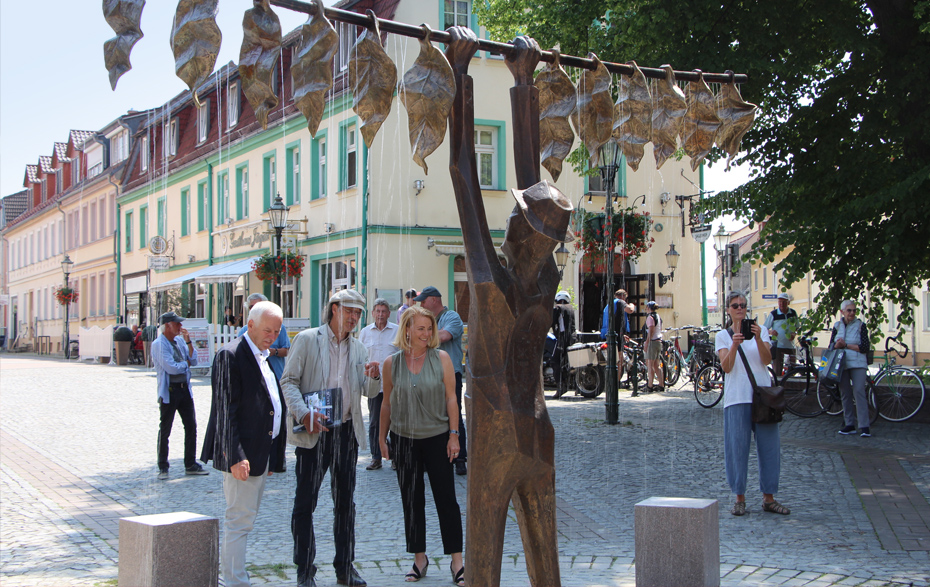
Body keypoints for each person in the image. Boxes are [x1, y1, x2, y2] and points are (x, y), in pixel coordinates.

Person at [280, 289, 381, 587]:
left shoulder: (360, 349)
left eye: (358, 314)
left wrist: (374, 377)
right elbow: (288, 381)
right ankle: (305, 570)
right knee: (304, 504)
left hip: (346, 433)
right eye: (349, 311)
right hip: (314, 432)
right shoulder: (309, 340)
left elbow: (369, 392)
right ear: (334, 309)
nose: (353, 318)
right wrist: (302, 413)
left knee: (345, 505)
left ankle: (345, 568)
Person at [202, 301, 288, 587]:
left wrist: (273, 457)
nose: (272, 336)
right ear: (249, 325)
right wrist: (235, 456)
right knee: (238, 521)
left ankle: (237, 577)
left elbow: (271, 407)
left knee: (245, 520)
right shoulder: (231, 355)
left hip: (259, 454)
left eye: (276, 331)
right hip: (243, 455)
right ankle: (235, 581)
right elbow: (225, 410)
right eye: (267, 329)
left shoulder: (262, 356)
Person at [378, 306, 464, 585]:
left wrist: (454, 435)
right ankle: (419, 559)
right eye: (421, 329)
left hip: (438, 437)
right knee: (412, 502)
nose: (427, 334)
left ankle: (457, 561)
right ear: (407, 330)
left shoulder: (441, 359)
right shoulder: (392, 363)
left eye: (430, 328)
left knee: (446, 501)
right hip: (404, 440)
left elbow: (452, 399)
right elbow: (386, 403)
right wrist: (381, 437)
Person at [715, 291, 789, 517]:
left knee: (769, 448)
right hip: (737, 398)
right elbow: (726, 368)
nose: (740, 309)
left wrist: (757, 338)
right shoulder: (723, 336)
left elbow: (767, 360)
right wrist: (736, 345)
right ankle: (739, 498)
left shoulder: (763, 331)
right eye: (735, 305)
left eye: (743, 305)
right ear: (728, 309)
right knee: (737, 450)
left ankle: (769, 498)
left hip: (763, 398)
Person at [414, 286, 467, 476]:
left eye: (424, 300)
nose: (421, 304)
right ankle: (435, 457)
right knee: (431, 414)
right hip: (429, 374)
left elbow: (445, 336)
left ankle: (460, 458)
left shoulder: (452, 317)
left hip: (450, 373)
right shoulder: (428, 320)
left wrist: (420, 337)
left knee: (454, 414)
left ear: (434, 300)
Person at [151, 311, 208, 479]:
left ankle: (190, 463)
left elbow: (195, 360)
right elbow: (171, 367)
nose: (180, 327)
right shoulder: (159, 344)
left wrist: (189, 342)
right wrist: (186, 363)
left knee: (191, 426)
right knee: (166, 429)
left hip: (184, 390)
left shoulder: (180, 341)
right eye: (177, 324)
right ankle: (163, 466)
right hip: (170, 391)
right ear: (167, 325)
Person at [358, 297, 399, 470]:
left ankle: (396, 457)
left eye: (384, 311)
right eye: (378, 311)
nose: (381, 315)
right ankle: (376, 457)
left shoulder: (397, 331)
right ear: (373, 313)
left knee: (396, 421)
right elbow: (360, 358)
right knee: (375, 422)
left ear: (389, 313)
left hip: (394, 386)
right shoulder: (365, 332)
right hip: (374, 385)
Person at [831, 299, 872, 437]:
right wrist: (836, 346)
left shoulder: (861, 326)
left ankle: (864, 426)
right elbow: (831, 347)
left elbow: (865, 347)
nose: (852, 313)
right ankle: (849, 424)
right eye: (849, 310)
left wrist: (846, 345)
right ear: (842, 312)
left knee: (859, 391)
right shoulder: (837, 326)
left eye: (854, 310)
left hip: (858, 363)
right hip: (842, 363)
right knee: (845, 393)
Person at [238, 293, 290, 380]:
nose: (254, 309)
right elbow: (239, 355)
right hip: (253, 379)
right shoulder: (244, 331)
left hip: (276, 377)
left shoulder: (279, 328)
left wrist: (274, 352)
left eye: (258, 306)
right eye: (251, 307)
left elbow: (288, 351)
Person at [601, 289, 635, 390]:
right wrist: (632, 305)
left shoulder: (609, 304)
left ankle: (610, 381)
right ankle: (616, 382)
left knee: (611, 359)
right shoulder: (620, 302)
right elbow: (630, 310)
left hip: (608, 334)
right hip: (617, 335)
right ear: (623, 296)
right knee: (619, 359)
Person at [764, 292, 799, 377]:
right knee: (777, 370)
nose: (781, 304)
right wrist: (771, 332)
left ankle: (790, 386)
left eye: (784, 302)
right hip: (777, 346)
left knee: (792, 370)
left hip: (790, 345)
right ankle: (778, 386)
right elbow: (765, 328)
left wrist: (794, 333)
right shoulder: (774, 314)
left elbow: (797, 327)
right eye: (780, 302)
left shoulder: (793, 313)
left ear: (788, 303)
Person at [551, 291, 576, 398]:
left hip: (563, 338)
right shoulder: (570, 308)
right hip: (572, 338)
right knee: (565, 361)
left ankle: (561, 386)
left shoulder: (558, 308)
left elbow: (551, 322)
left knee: (554, 361)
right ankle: (567, 382)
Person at [643, 301, 664, 392]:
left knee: (650, 364)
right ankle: (661, 384)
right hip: (659, 341)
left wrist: (647, 342)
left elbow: (651, 330)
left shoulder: (650, 317)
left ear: (648, 308)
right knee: (656, 365)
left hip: (652, 342)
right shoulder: (658, 317)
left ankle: (650, 385)